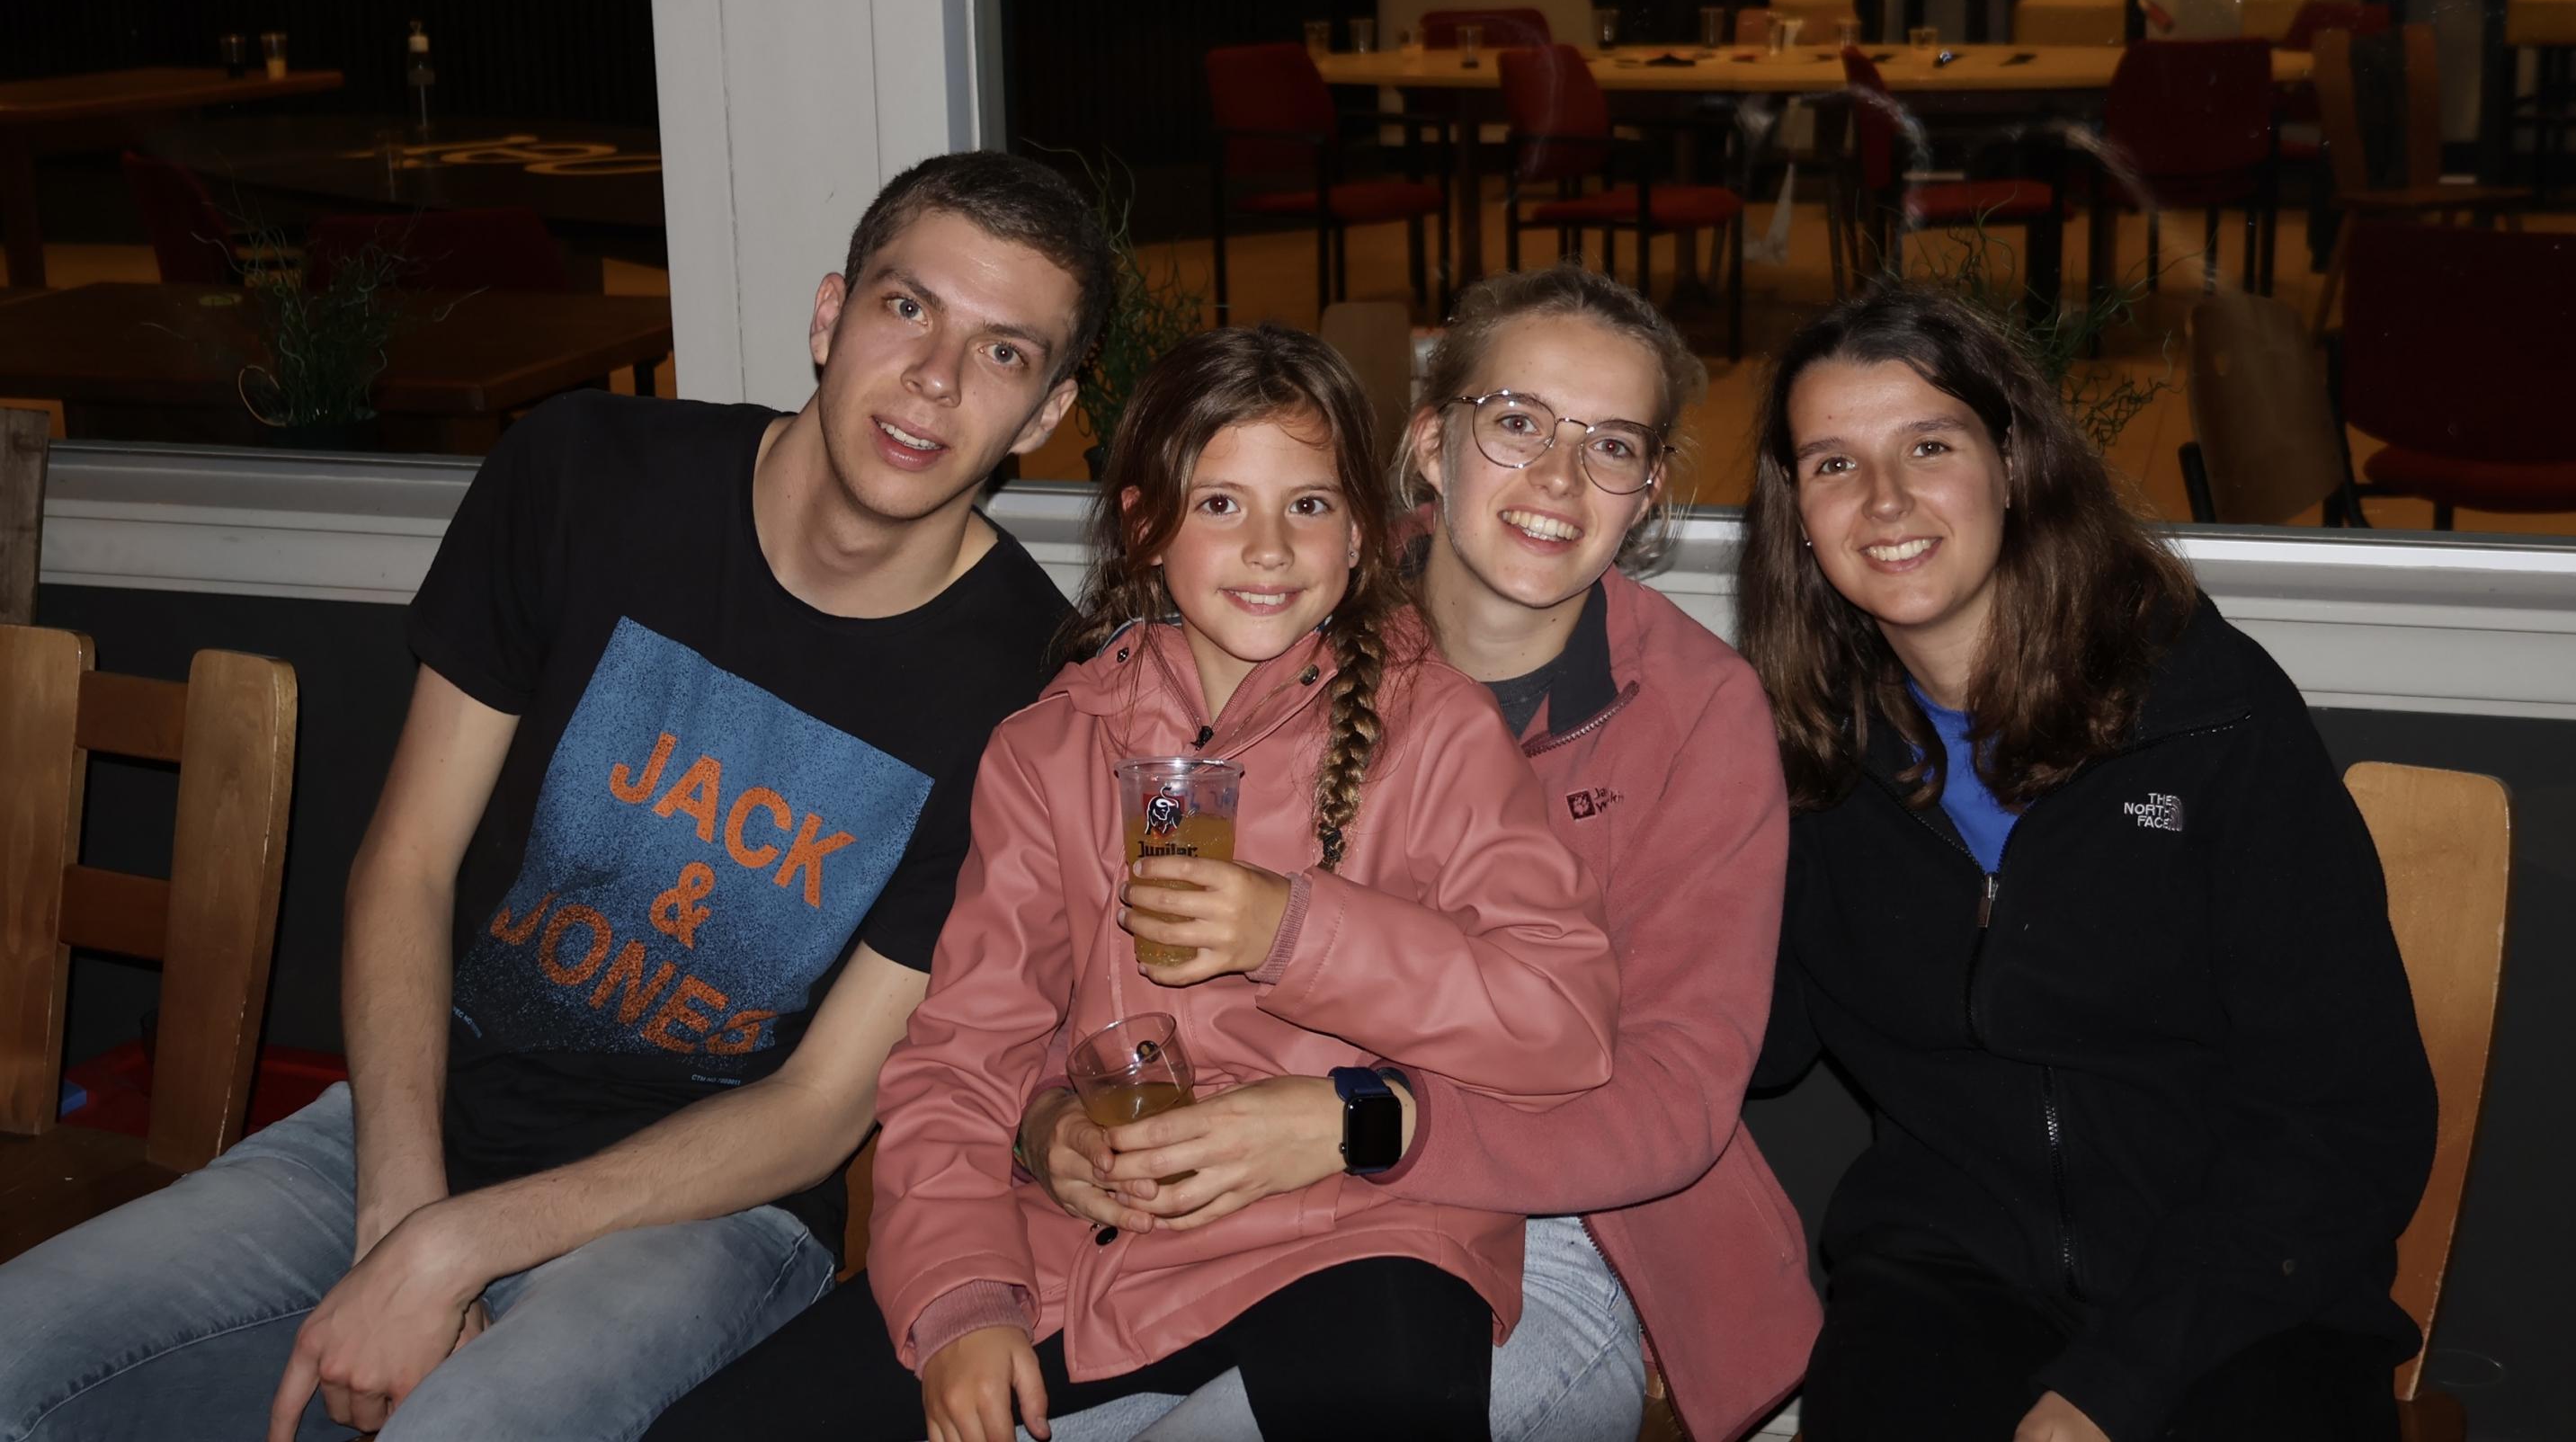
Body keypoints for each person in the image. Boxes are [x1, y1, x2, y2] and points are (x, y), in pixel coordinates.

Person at [0, 151, 1112, 1442]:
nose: (934, 377)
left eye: (1002, 353)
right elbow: (407, 863)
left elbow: (819, 1109)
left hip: (713, 1214)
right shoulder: (585, 474)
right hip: (412, 1125)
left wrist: (461, 1247)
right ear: (829, 315)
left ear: (1044, 415)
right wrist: (405, 1216)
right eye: (907, 307)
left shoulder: (1029, 696)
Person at [650, 323, 1619, 1442]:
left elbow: (1563, 1020)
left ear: (1358, 532)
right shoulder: (1051, 746)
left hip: (1354, 1237)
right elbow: (963, 1053)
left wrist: (1293, 931)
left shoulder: (1437, 730)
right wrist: (968, 1289)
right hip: (1092, 1249)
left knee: (1389, 1378)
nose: (1268, 548)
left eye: (1308, 505)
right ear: (1146, 525)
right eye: (1220, 504)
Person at [1033, 266, 1819, 1442]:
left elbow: (1672, 1097)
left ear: (1650, 491)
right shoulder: (1277, 594)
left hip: (1562, 1225)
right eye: (1518, 423)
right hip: (1231, 1193)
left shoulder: (1701, 714)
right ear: (1432, 444)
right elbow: (1070, 950)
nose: (1559, 478)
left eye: (1611, 446)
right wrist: (1047, 1122)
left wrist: (1349, 1121)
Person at [1738, 283, 2437, 1442]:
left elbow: (2345, 1119)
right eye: (1834, 464)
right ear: (1797, 511)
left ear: (2013, 461)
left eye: (1929, 445)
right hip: (1947, 1281)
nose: (1886, 500)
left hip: (2246, 1292)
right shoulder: (1809, 761)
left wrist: (2111, 1390)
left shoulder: (2208, 716)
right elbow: (1746, 1041)